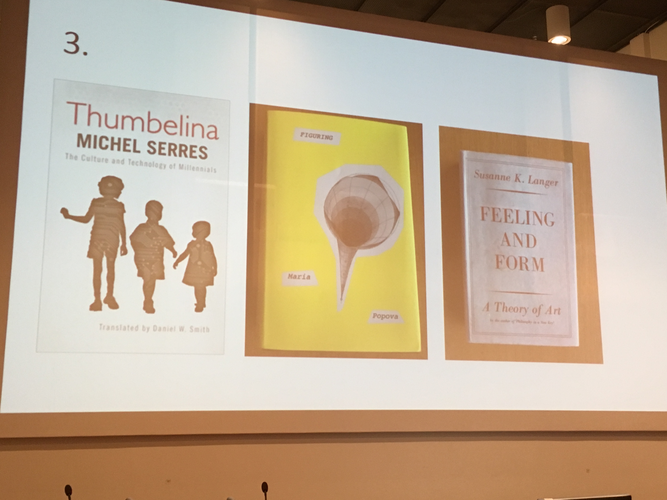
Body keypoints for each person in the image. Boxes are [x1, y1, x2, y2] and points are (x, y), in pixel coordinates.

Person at [61, 175, 127, 311]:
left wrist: (124, 243)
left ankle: (107, 297)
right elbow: (87, 219)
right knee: (102, 269)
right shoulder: (100, 203)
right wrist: (69, 216)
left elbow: (121, 225)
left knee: (105, 269)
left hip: (109, 240)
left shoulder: (117, 205)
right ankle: (99, 299)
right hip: (100, 239)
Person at [130, 200, 177, 314]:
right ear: (147, 212)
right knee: (148, 279)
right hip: (144, 258)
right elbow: (134, 240)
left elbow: (168, 242)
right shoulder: (141, 227)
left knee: (151, 279)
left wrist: (172, 251)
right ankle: (148, 301)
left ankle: (148, 299)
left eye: (157, 212)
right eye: (153, 212)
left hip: (156, 258)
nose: (155, 215)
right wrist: (141, 247)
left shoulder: (161, 229)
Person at [173, 221, 217, 312]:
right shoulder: (191, 244)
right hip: (194, 270)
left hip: (205, 270)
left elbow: (213, 257)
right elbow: (185, 254)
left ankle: (201, 302)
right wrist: (177, 261)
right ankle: (200, 303)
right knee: (198, 287)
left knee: (201, 287)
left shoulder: (208, 245)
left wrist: (215, 268)